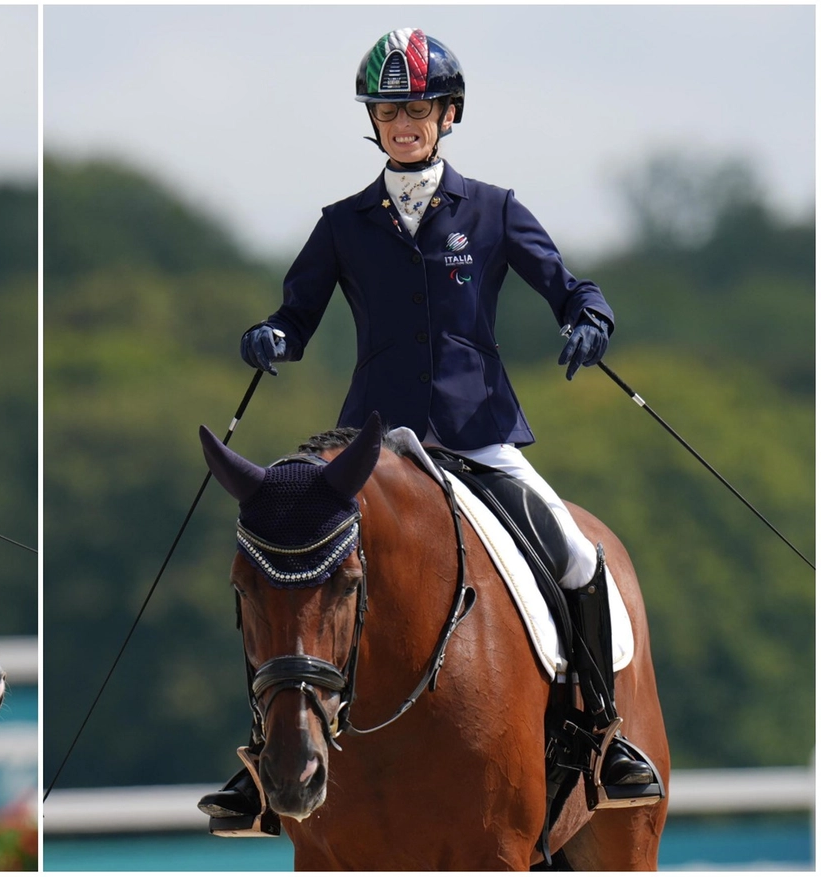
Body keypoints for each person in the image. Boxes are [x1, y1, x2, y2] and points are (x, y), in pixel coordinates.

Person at [199, 28, 661, 831]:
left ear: (448, 114)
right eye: (388, 111)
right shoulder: (343, 223)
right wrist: (271, 337)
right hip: (375, 449)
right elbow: (296, 314)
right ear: (373, 123)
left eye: (417, 108)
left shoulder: (493, 211)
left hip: (477, 436)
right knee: (294, 570)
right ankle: (261, 758)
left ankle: (601, 736)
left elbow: (569, 285)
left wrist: (591, 318)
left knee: (581, 559)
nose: (403, 123)